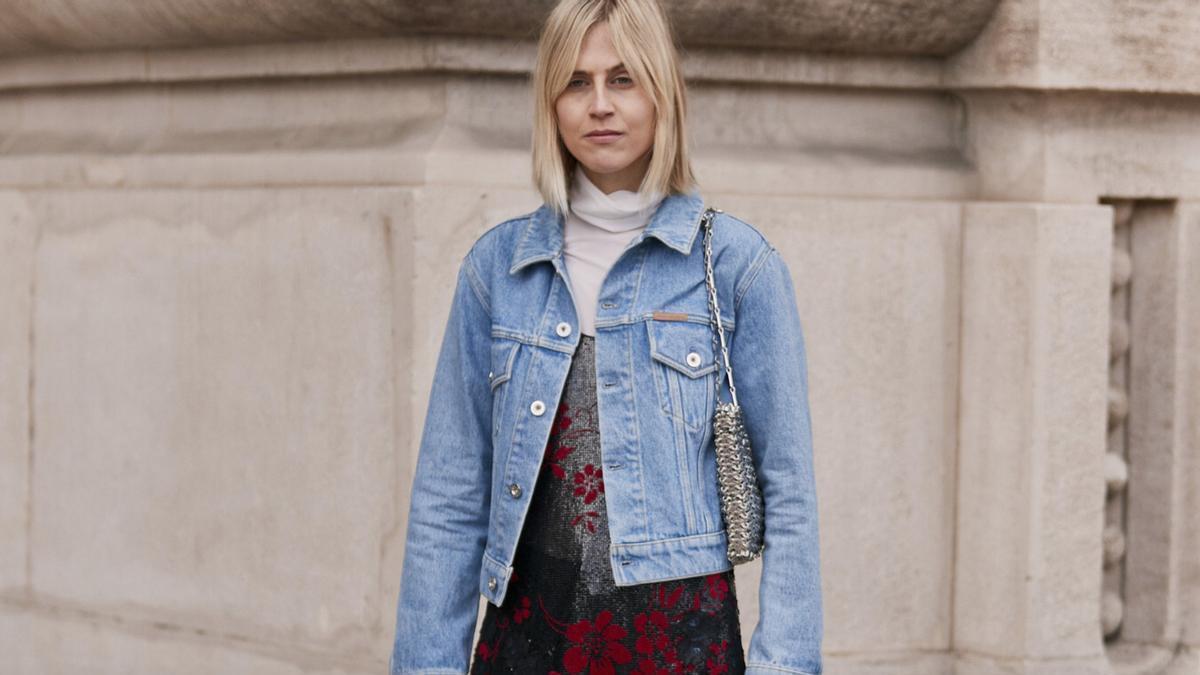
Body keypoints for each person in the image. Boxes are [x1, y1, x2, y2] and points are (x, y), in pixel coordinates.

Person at [389, 0, 822, 673]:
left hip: (679, 648)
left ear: (661, 93)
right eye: (576, 82)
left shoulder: (738, 267)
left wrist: (784, 664)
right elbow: (448, 498)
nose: (599, 105)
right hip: (526, 647)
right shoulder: (497, 270)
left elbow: (789, 495)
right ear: (551, 104)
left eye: (623, 79)